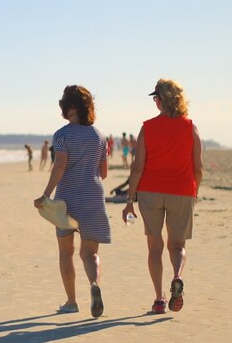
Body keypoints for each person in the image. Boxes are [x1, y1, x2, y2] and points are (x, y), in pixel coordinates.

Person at [122, 79, 203, 314]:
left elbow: (137, 167)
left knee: (154, 247)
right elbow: (198, 167)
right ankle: (177, 276)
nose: (155, 102)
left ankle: (159, 299)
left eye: (156, 98)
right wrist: (194, 191)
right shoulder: (190, 127)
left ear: (160, 101)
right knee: (177, 246)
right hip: (181, 191)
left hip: (150, 192)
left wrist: (129, 201)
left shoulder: (147, 127)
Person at [34, 85, 110, 318]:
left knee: (66, 252)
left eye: (64, 107)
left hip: (68, 199)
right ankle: (94, 284)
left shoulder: (62, 135)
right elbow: (104, 172)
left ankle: (71, 302)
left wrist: (46, 194)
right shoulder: (99, 136)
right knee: (90, 254)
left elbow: (60, 165)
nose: (62, 112)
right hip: (94, 197)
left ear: (72, 108)